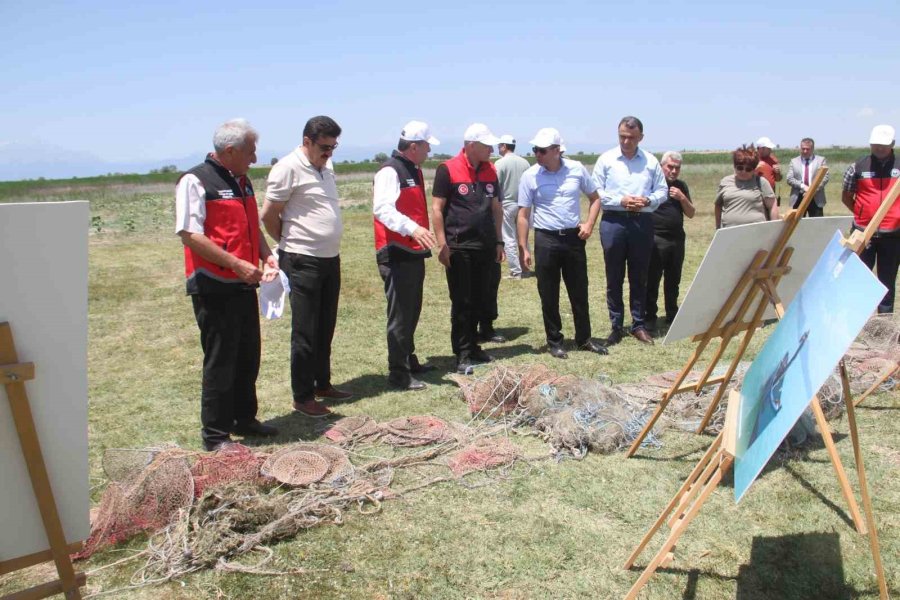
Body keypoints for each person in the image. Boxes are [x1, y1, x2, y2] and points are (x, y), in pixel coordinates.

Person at [175, 118, 279, 451]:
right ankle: (216, 435)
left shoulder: (243, 181)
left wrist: (267, 256)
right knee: (221, 360)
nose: (254, 158)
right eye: (250, 151)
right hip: (214, 284)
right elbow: (190, 235)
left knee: (248, 355)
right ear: (230, 150)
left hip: (243, 283)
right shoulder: (195, 181)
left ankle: (244, 419)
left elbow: (251, 227)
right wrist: (235, 263)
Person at [260, 115, 351, 418]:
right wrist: (290, 243)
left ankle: (322, 383)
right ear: (307, 141)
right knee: (305, 331)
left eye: (333, 147)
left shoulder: (326, 167)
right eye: (324, 147)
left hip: (329, 258)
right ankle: (302, 396)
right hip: (302, 260)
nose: (329, 153)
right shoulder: (287, 168)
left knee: (325, 325)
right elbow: (269, 215)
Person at [517, 128, 607, 359]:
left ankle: (584, 339)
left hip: (573, 239)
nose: (537, 153)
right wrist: (523, 247)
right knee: (548, 292)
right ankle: (555, 341)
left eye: (542, 150)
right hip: (546, 239)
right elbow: (523, 214)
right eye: (535, 149)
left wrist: (589, 224)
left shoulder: (577, 169)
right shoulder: (530, 176)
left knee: (579, 290)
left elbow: (595, 198)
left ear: (557, 151)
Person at [432, 123, 505, 374]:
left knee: (481, 298)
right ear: (471, 145)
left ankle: (474, 346)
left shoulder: (491, 171)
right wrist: (442, 244)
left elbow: (496, 208)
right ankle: (462, 353)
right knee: (462, 301)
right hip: (459, 246)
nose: (492, 149)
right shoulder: (447, 169)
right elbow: (437, 209)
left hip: (485, 246)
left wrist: (498, 241)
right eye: (487, 145)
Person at [372, 121, 440, 391]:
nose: (429, 151)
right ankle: (398, 373)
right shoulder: (390, 171)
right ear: (414, 147)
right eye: (426, 146)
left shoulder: (413, 169)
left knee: (411, 310)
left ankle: (409, 360)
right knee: (400, 314)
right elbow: (382, 210)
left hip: (412, 250)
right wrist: (412, 228)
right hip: (396, 251)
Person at [591, 116, 667, 346]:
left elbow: (662, 191)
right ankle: (616, 325)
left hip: (641, 223)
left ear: (640, 137)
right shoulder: (606, 159)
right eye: (622, 136)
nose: (626, 141)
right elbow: (596, 191)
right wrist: (620, 200)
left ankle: (638, 324)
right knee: (614, 275)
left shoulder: (651, 162)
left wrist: (647, 200)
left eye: (631, 138)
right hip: (613, 222)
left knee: (639, 275)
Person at [842, 124, 900, 314]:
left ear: (892, 144)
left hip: (893, 234)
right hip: (862, 233)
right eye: (875, 144)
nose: (879, 148)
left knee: (887, 280)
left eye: (883, 144)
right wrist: (862, 214)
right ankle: (859, 320)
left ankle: (883, 327)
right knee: (860, 278)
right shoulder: (857, 166)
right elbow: (846, 196)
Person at [646, 151, 695, 331]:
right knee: (652, 279)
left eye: (677, 168)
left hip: (676, 239)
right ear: (661, 166)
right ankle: (649, 316)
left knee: (673, 279)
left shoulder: (681, 186)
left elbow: (691, 213)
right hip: (655, 238)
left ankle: (672, 313)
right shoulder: (652, 184)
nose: (673, 171)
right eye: (670, 167)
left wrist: (682, 197)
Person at [715, 145, 780, 229]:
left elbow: (772, 206)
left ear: (754, 169)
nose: (743, 171)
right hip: (729, 233)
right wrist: (717, 227)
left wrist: (774, 229)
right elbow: (718, 205)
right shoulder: (725, 182)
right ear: (734, 166)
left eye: (748, 169)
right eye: (740, 168)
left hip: (756, 232)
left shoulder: (761, 182)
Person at [496, 134, 532, 279]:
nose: (498, 148)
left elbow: (496, 186)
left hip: (507, 204)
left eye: (499, 146)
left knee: (508, 238)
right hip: (524, 205)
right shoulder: (525, 163)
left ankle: (515, 271)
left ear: (504, 146)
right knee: (523, 237)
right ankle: (525, 267)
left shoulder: (499, 163)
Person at [786, 138, 829, 217]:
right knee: (797, 226)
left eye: (807, 149)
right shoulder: (794, 161)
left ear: (812, 149)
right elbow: (789, 179)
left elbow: (825, 177)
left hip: (816, 197)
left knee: (817, 225)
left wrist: (812, 190)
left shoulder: (821, 160)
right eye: (803, 149)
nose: (805, 151)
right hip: (798, 197)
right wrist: (803, 186)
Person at [755, 136, 783, 201]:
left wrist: (778, 173)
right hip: (756, 194)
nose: (771, 150)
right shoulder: (752, 159)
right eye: (769, 148)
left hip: (771, 193)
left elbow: (778, 179)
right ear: (761, 149)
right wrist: (755, 169)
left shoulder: (773, 159)